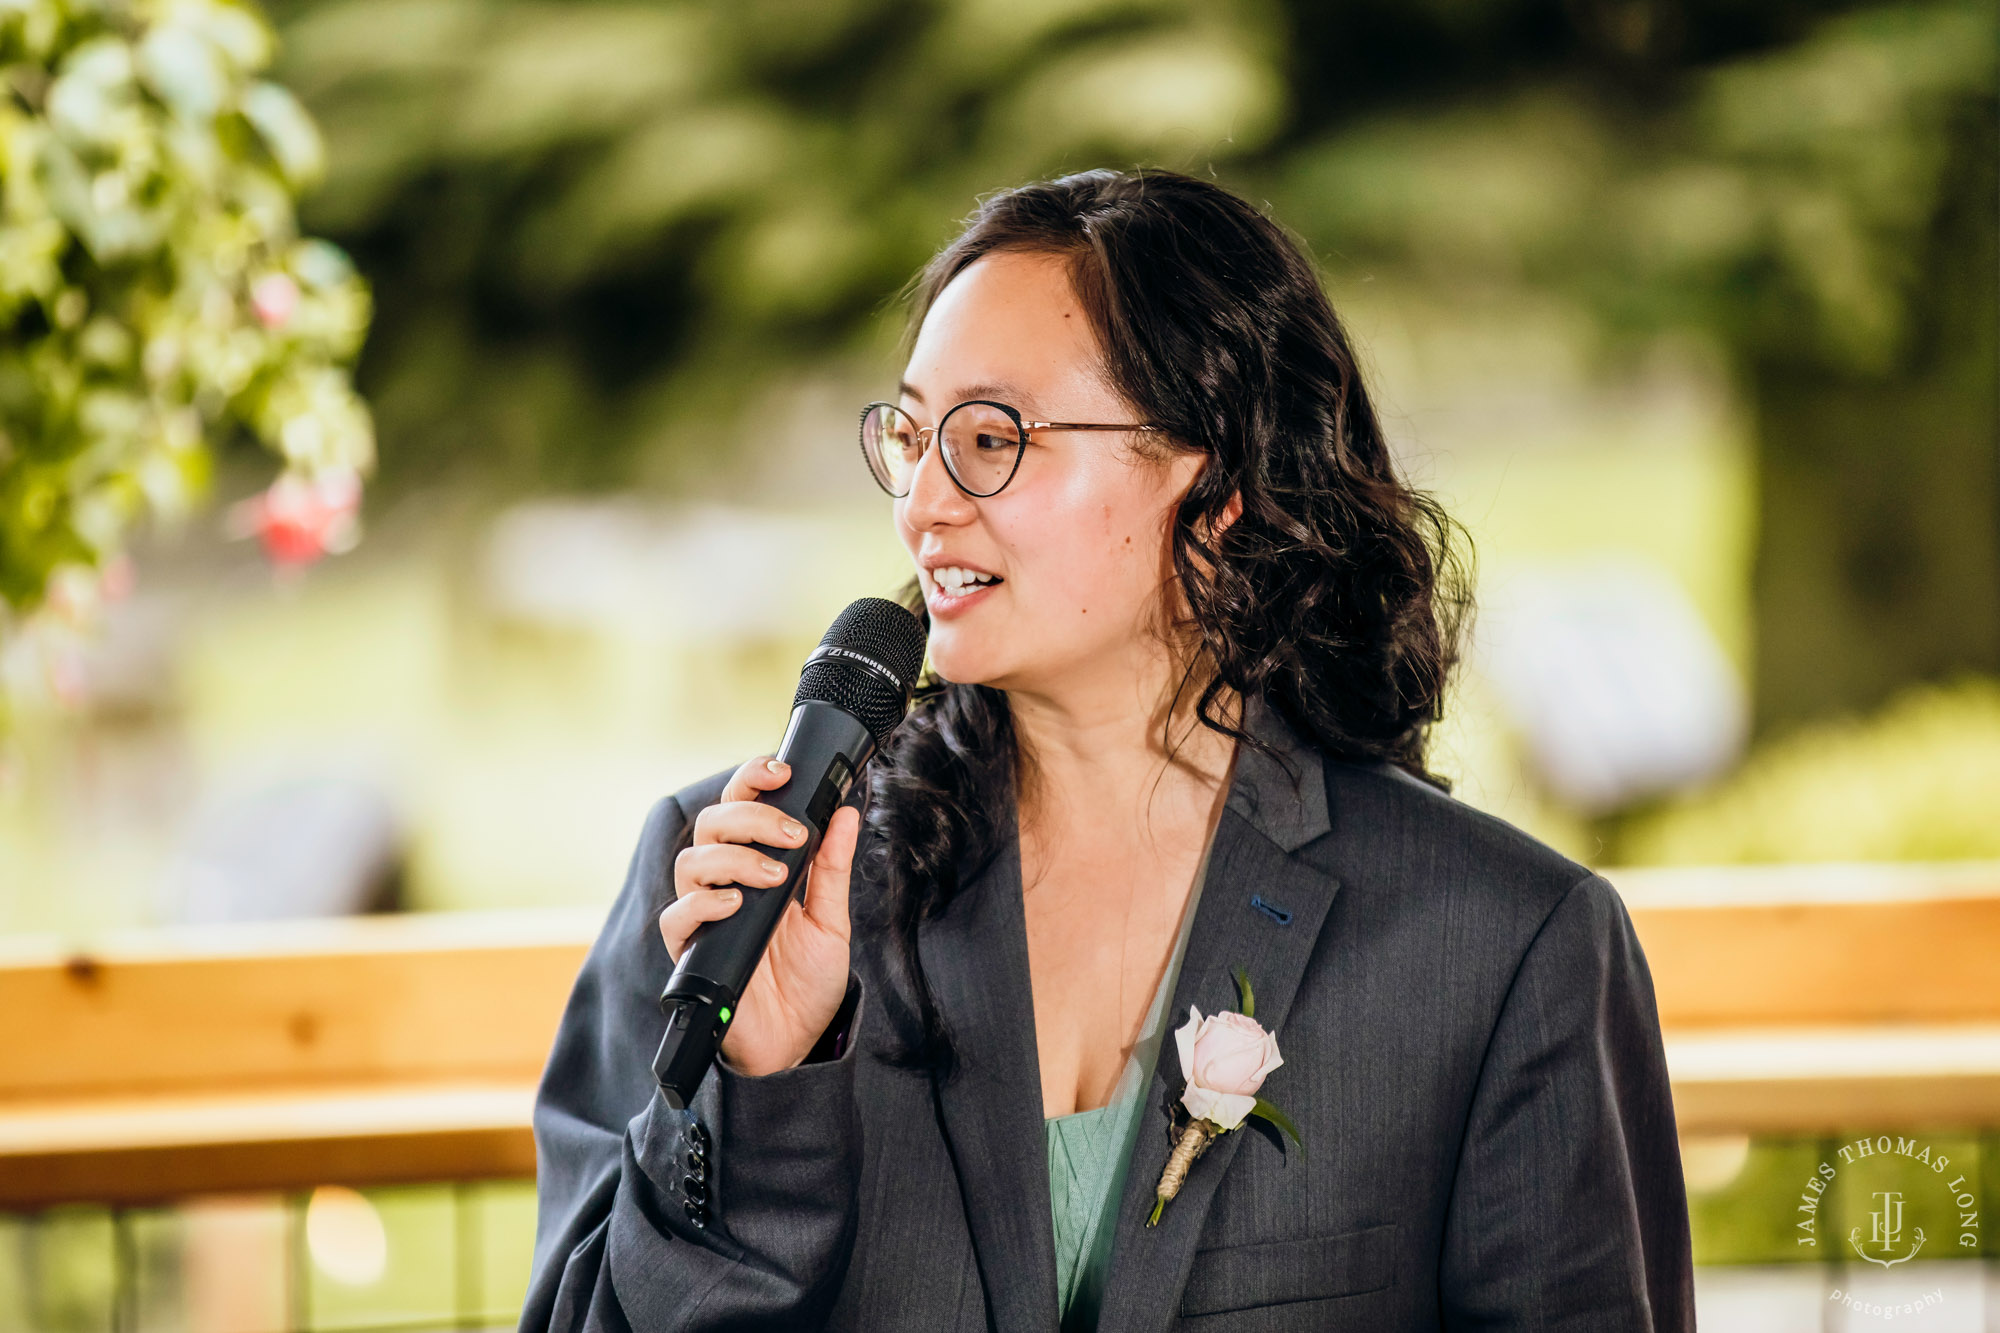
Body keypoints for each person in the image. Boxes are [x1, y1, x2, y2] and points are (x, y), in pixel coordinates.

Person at [520, 168, 1694, 1332]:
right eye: (913, 435)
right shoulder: (737, 885)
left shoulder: (1501, 949)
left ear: (1218, 488)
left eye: (989, 438)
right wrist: (760, 1092)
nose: (922, 502)